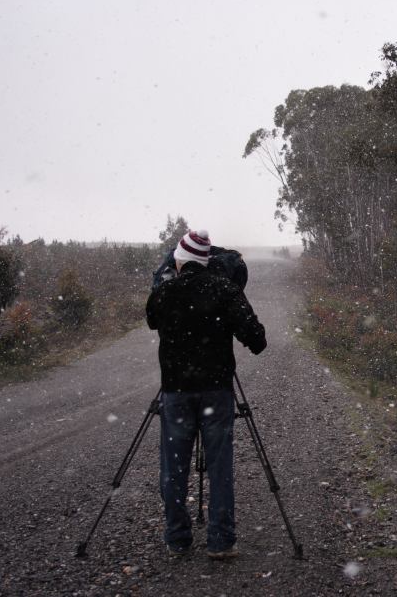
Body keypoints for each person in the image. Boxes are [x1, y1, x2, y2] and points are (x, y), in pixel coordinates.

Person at [146, 229, 267, 559]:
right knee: (219, 466)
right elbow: (257, 340)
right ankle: (221, 541)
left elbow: (151, 319)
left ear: (180, 261)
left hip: (175, 393)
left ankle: (177, 537)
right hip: (217, 392)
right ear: (208, 261)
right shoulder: (224, 289)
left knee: (173, 469)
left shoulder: (165, 292)